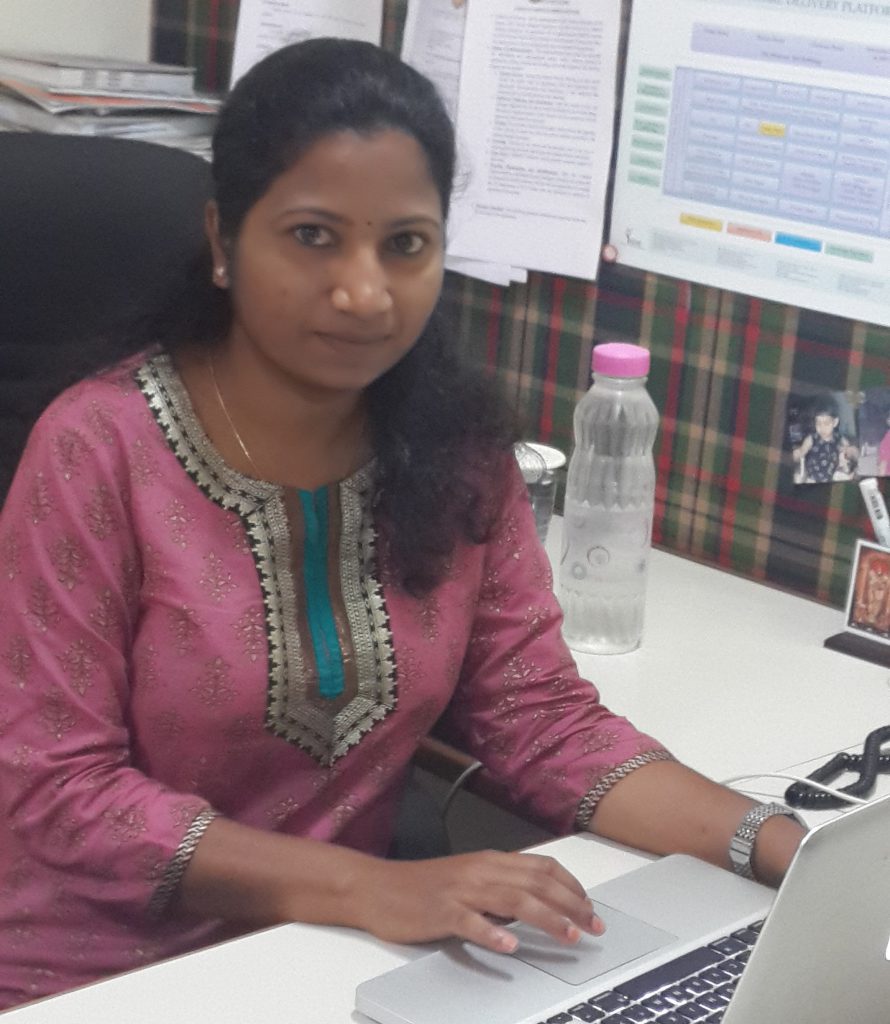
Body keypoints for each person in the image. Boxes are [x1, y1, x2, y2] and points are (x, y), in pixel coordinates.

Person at [0, 39, 804, 1010]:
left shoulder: (455, 451)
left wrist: (784, 849)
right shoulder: (97, 449)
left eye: (406, 245)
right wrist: (368, 887)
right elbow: (59, 791)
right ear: (222, 240)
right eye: (312, 235)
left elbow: (537, 717)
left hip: (334, 963)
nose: (364, 291)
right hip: (93, 974)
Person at [792, 397, 858, 483]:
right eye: (818, 423)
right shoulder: (811, 439)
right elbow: (801, 452)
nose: (822, 427)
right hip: (813, 478)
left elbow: (849, 452)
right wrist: (798, 453)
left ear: (835, 422)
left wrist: (849, 453)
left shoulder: (840, 439)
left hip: (833, 477)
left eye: (826, 423)